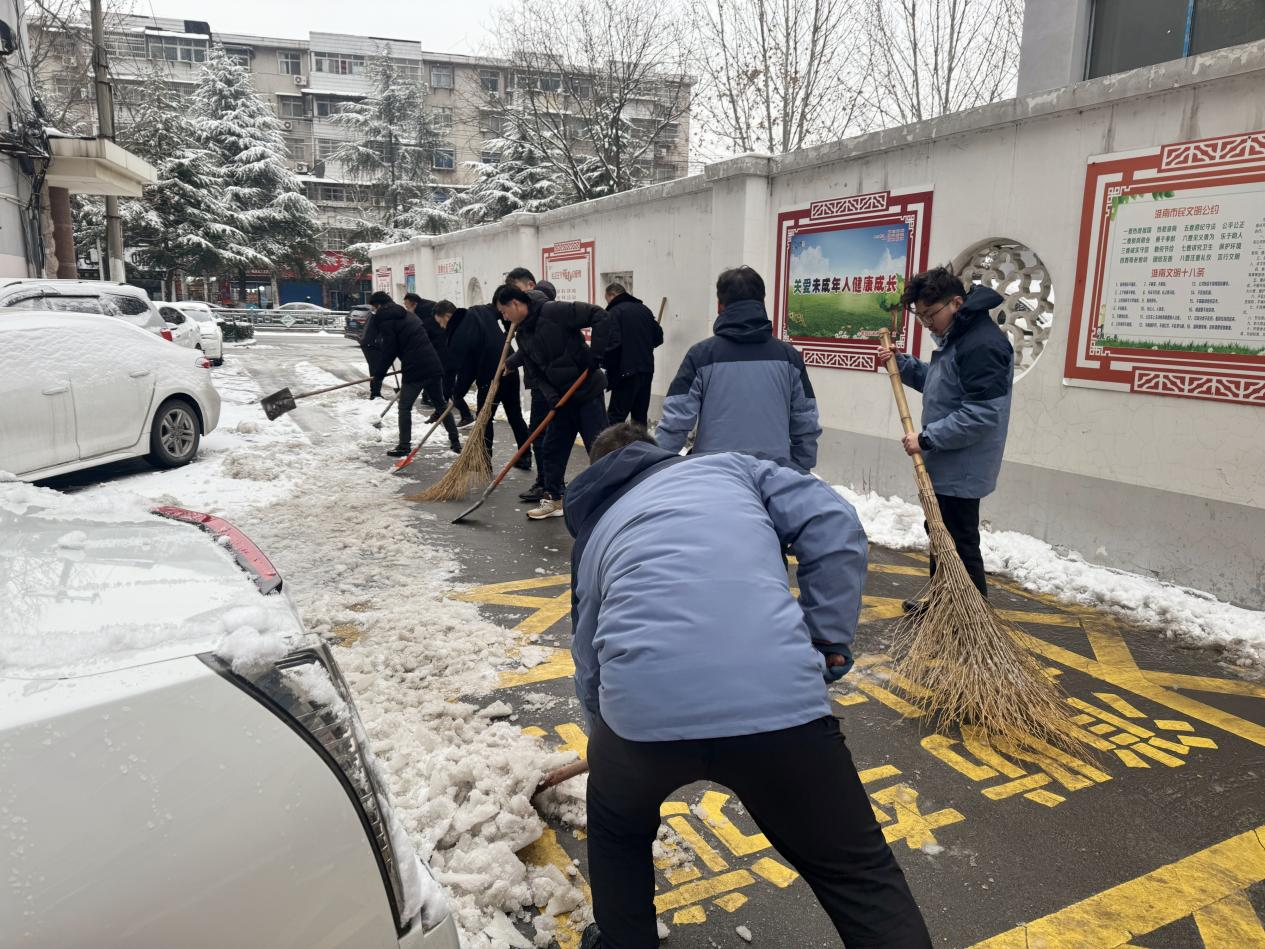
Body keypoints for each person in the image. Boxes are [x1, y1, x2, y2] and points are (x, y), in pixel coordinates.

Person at [566, 423, 932, 949]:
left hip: (642, 715)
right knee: (860, 876)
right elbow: (833, 521)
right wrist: (826, 637)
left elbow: (587, 651)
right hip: (780, 703)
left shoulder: (599, 529)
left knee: (618, 831)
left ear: (596, 474)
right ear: (657, 453)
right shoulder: (732, 469)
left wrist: (604, 737)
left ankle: (624, 942)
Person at [877, 268, 1009, 608]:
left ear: (956, 303)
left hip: (963, 465)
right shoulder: (959, 337)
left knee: (959, 542)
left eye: (930, 314)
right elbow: (942, 387)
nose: (927, 324)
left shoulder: (981, 345)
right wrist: (903, 365)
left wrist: (927, 439)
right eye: (921, 317)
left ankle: (971, 618)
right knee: (940, 534)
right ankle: (941, 607)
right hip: (947, 461)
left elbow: (982, 414)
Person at [656, 266, 821, 471]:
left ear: (719, 306)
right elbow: (806, 420)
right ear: (762, 303)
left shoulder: (701, 356)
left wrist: (655, 468)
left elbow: (675, 422)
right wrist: (800, 470)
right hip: (774, 475)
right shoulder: (790, 358)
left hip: (714, 473)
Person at [494, 284, 607, 520]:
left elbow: (598, 315)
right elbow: (536, 373)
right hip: (563, 400)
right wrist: (552, 397)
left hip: (587, 392)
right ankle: (554, 499)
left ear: (515, 303)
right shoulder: (523, 334)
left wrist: (596, 354)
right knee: (552, 449)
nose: (505, 317)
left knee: (599, 448)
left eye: (504, 311)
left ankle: (613, 497)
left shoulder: (554, 311)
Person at [362, 290, 461, 457]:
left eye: (374, 308)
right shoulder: (407, 315)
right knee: (441, 405)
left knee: (404, 407)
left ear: (378, 306)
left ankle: (404, 446)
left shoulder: (386, 319)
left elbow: (390, 349)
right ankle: (455, 442)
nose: (374, 312)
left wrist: (378, 375)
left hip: (415, 369)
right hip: (432, 364)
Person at [433, 298, 530, 461]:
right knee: (515, 415)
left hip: (489, 377)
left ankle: (484, 461)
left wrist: (456, 393)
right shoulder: (479, 310)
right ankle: (525, 457)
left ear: (448, 316)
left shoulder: (457, 336)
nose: (442, 327)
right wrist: (507, 331)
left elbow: (463, 370)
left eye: (441, 323)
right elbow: (501, 311)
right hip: (509, 367)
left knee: (484, 420)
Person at [506, 268, 555, 497]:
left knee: (539, 434)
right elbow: (527, 349)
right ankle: (549, 484)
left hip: (544, 383)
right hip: (543, 382)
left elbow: (532, 348)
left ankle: (547, 485)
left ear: (531, 286)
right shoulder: (534, 313)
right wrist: (511, 363)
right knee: (544, 434)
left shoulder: (541, 313)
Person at [404, 291, 474, 426]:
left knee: (449, 388)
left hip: (445, 356)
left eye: (407, 305)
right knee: (446, 388)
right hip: (444, 355)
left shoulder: (426, 316)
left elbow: (428, 337)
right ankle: (442, 413)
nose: (441, 325)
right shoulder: (429, 311)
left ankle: (465, 415)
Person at [600, 284, 663, 426]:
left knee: (616, 417)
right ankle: (639, 441)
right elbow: (658, 338)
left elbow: (612, 345)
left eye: (607, 299)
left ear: (612, 295)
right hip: (646, 370)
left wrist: (605, 365)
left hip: (625, 373)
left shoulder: (614, 312)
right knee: (639, 418)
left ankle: (612, 442)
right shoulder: (644, 310)